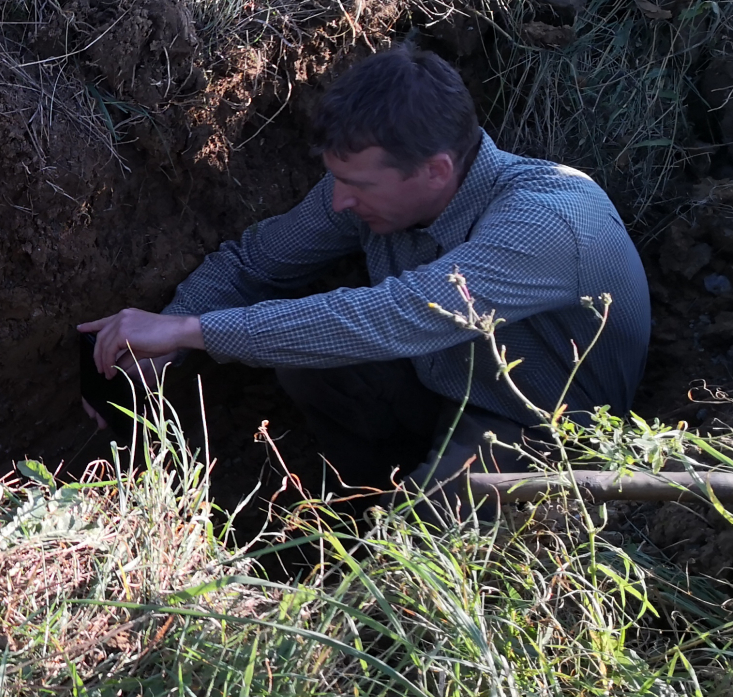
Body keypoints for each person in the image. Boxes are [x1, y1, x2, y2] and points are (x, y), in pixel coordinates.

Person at [77, 40, 651, 496]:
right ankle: (363, 503)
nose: (338, 204)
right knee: (310, 365)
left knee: (436, 530)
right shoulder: (369, 191)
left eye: (356, 185)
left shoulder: (547, 222)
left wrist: (191, 332)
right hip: (439, 384)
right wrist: (161, 344)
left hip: (543, 428)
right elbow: (256, 263)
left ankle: (394, 550)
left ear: (434, 170)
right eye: (338, 179)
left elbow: (395, 316)